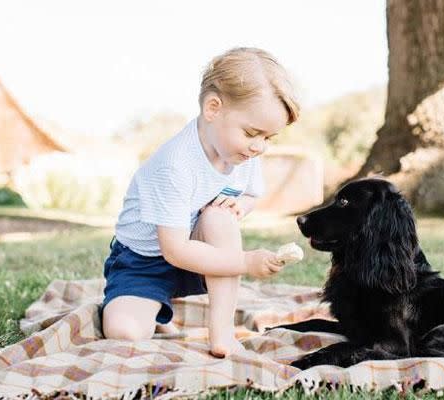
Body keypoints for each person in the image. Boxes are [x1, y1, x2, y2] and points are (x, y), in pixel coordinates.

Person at [101, 47, 300, 357]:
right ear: (213, 108)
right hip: (144, 261)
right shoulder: (175, 165)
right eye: (252, 133)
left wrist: (239, 207)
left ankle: (221, 334)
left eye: (268, 138)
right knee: (125, 333)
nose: (259, 146)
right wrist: (246, 262)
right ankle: (146, 305)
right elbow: (175, 250)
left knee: (220, 217)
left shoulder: (242, 152)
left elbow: (250, 195)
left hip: (201, 252)